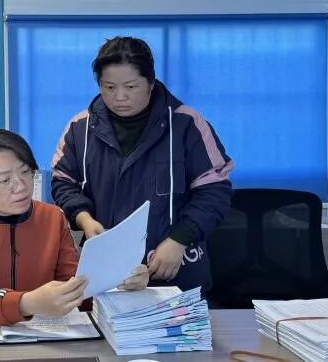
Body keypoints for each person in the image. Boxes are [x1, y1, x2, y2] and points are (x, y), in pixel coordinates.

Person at [51, 36, 233, 293]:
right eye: (109, 87)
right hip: (107, 272)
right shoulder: (80, 128)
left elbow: (214, 191)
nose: (120, 97)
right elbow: (63, 182)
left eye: (131, 86)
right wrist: (85, 219)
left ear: (150, 82)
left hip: (175, 268)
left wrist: (179, 239)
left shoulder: (186, 124)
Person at [0, 128, 149, 327]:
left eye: (26, 172)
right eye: (5, 180)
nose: (21, 186)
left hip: (50, 338)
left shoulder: (52, 217)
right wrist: (27, 303)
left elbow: (77, 286)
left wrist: (120, 281)